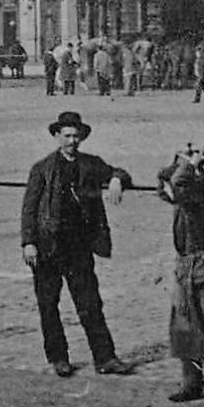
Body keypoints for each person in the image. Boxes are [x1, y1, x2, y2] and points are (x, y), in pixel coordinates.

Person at [20, 111, 134, 378]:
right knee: (49, 305)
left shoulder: (91, 164)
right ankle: (59, 358)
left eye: (76, 136)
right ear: (57, 136)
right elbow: (29, 209)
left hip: (79, 248)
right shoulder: (42, 169)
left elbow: (119, 172)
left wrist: (117, 179)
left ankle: (105, 358)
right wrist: (28, 243)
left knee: (90, 303)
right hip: (48, 247)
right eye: (67, 136)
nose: (72, 141)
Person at [157, 144, 204, 405]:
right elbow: (166, 180)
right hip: (184, 268)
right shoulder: (183, 194)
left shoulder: (196, 196)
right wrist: (183, 161)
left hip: (201, 268)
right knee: (184, 327)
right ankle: (192, 383)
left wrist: (189, 164)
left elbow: (177, 181)